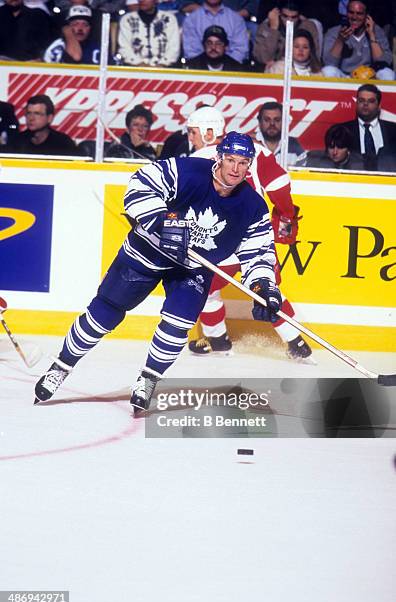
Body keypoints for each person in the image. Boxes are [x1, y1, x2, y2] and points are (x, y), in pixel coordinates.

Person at [34, 132, 283, 415]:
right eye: (230, 160)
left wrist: (264, 286)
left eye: (243, 162)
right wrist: (161, 220)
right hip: (147, 252)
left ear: (249, 165)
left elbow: (259, 252)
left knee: (178, 325)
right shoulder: (188, 170)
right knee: (105, 312)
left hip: (192, 267)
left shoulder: (253, 206)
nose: (235, 169)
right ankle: (61, 366)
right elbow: (141, 182)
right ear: (219, 157)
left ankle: (148, 378)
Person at [186, 106, 313, 362]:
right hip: (256, 235)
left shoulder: (199, 158)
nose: (190, 138)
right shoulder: (253, 149)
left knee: (204, 286)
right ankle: (297, 342)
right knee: (266, 288)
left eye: (192, 132)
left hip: (221, 240)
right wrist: (286, 216)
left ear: (208, 132)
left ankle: (218, 341)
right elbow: (279, 184)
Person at [322, 0, 394, 80]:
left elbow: (383, 62)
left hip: (370, 77)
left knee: (388, 74)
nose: (354, 17)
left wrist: (371, 35)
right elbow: (329, 63)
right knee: (327, 71)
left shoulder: (377, 31)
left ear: (367, 15)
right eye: (351, 12)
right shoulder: (334, 32)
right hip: (345, 76)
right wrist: (340, 41)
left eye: (359, 13)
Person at [335, 83, 396, 171]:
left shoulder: (393, 130)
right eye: (361, 100)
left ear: (379, 106)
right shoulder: (343, 130)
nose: (365, 104)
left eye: (371, 101)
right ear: (356, 103)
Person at [253, 0, 320, 70]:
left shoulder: (308, 27)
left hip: (303, 69)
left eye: (293, 17)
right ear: (278, 14)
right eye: (285, 16)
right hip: (275, 71)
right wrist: (273, 29)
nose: (289, 20)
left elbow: (315, 57)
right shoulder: (266, 27)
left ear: (299, 16)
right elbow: (264, 58)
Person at [182, 0, 249, 64]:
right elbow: (191, 52)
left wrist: (225, 67)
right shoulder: (191, 20)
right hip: (201, 70)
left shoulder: (236, 19)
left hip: (230, 70)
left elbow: (241, 50)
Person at [117, 0, 181, 67]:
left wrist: (163, 64)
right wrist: (139, 64)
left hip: (164, 69)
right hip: (134, 69)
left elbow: (174, 46)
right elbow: (124, 46)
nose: (142, 1)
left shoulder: (169, 19)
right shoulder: (127, 19)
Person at [255, 101, 305, 166]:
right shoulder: (250, 143)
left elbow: (303, 174)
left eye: (277, 120)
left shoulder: (294, 146)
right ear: (259, 122)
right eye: (267, 120)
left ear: (284, 122)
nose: (272, 124)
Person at [295, 124, 365, 170]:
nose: (335, 152)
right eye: (331, 147)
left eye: (340, 148)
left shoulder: (359, 164)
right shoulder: (312, 159)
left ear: (348, 149)